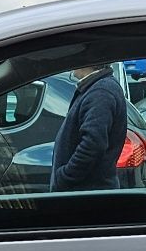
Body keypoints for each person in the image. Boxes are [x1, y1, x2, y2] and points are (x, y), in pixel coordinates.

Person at [50, 62, 127, 191]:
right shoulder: (98, 87)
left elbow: (93, 144)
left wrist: (65, 177)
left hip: (85, 195)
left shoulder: (101, 91)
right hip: (87, 193)